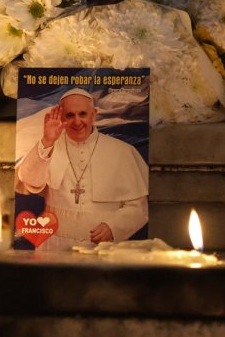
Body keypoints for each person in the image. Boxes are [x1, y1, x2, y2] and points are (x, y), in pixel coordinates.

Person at [15, 88, 148, 251]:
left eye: (83, 114)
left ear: (94, 114)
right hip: (53, 245)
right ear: (61, 116)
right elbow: (29, 181)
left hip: (103, 247)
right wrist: (47, 140)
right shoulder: (49, 146)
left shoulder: (123, 152)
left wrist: (113, 227)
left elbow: (138, 209)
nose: (77, 122)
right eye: (70, 115)